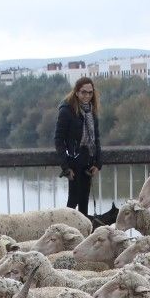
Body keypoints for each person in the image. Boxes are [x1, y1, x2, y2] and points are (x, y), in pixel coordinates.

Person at [53, 77, 102, 217]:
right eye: (83, 92)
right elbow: (58, 140)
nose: (87, 96)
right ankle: (65, 233)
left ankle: (82, 236)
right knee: (72, 203)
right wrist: (66, 168)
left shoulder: (92, 111)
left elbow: (96, 138)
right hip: (73, 163)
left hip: (88, 162)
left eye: (90, 93)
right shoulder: (66, 110)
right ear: (76, 92)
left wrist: (98, 163)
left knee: (84, 203)